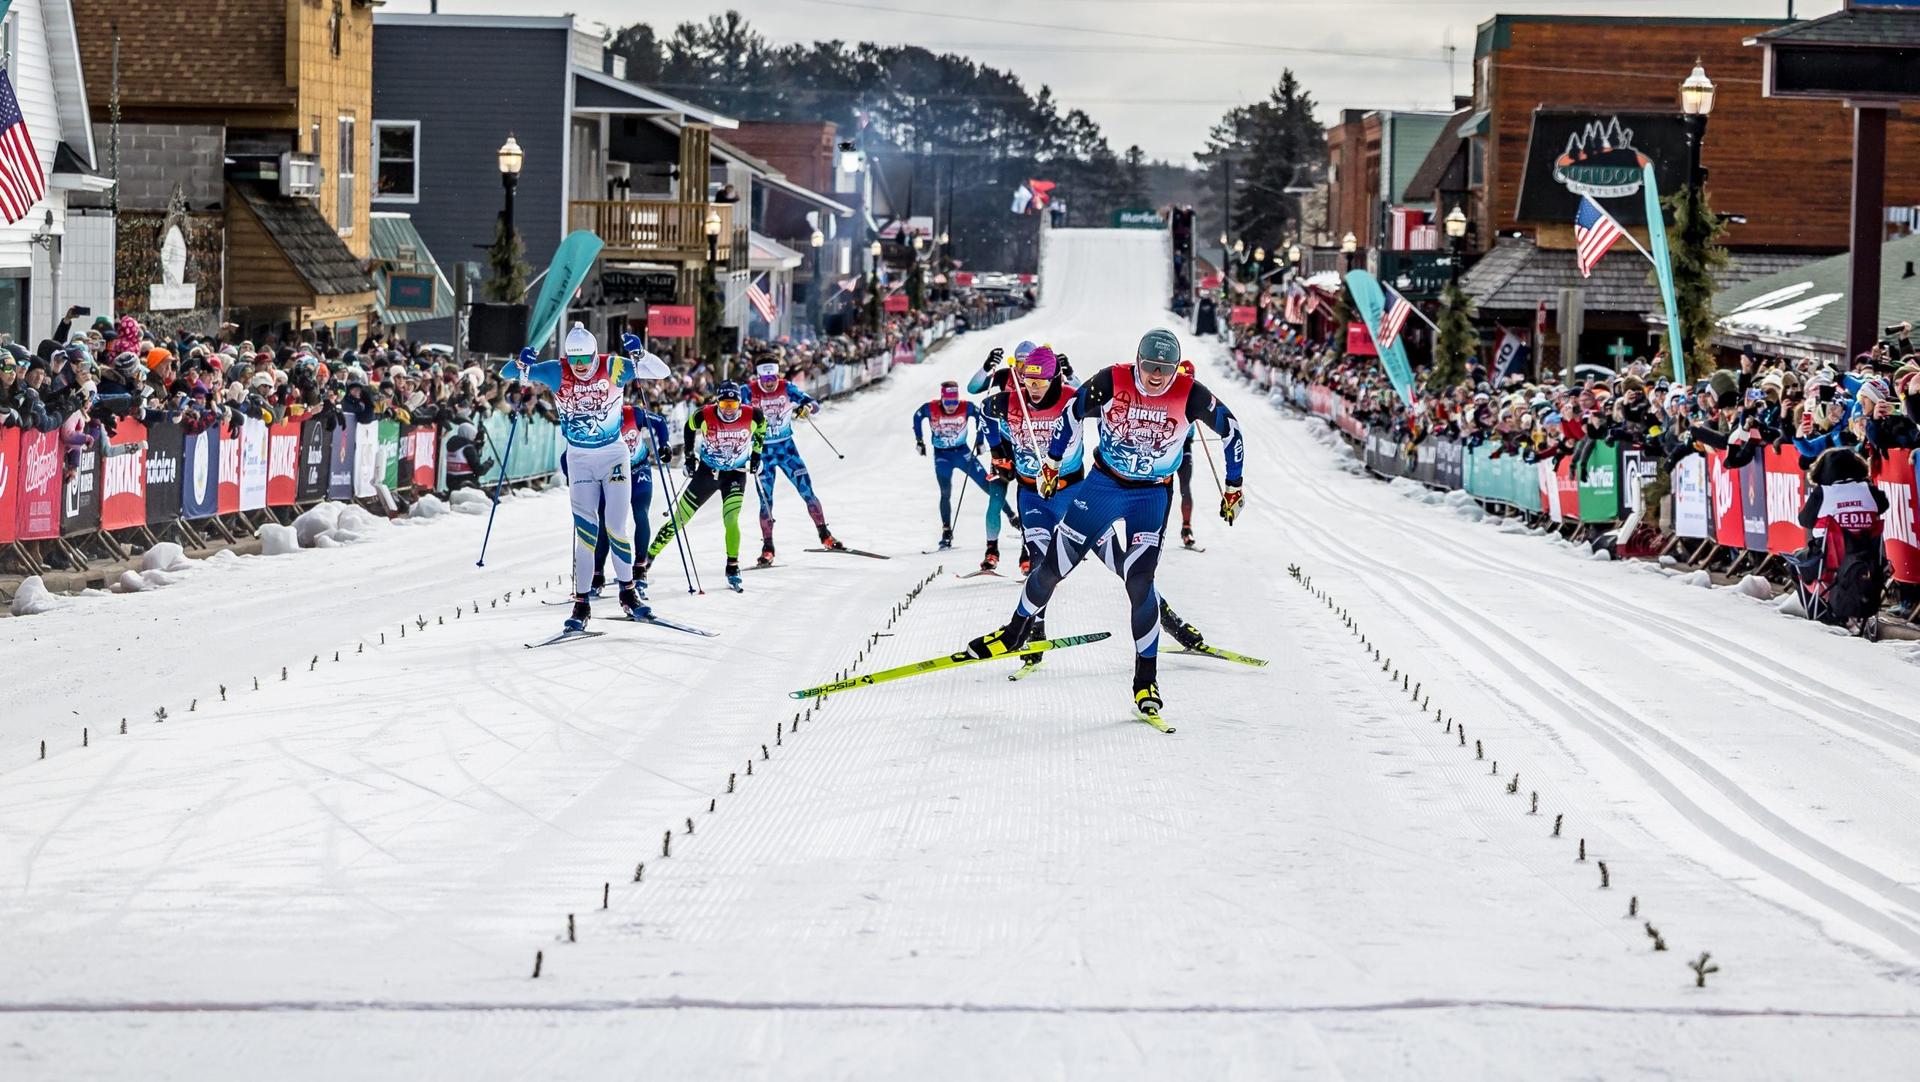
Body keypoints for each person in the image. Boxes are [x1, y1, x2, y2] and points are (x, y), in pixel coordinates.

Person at [966, 328, 1245, 719]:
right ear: (1138, 361)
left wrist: (1233, 486)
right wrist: (1051, 461)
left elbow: (1232, 432)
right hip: (1101, 486)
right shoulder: (1113, 379)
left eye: (1164, 369)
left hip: (1150, 496)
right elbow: (1071, 412)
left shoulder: (1189, 391)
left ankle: (1145, 680)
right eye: (1149, 366)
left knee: (1139, 580)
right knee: (1052, 566)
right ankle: (1015, 633)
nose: (1155, 376)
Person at [982, 344, 1210, 669]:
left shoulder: (1065, 395)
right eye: (1026, 377)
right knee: (1041, 562)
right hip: (1034, 495)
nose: (1033, 387)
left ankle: (1171, 622)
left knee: (1124, 565)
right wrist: (997, 451)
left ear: (1052, 377)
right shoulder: (1011, 401)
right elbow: (984, 409)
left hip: (1077, 495)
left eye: (1041, 379)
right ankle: (1033, 637)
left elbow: (1095, 399)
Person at [506, 322, 671, 632]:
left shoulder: (614, 366)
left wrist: (640, 353)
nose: (581, 366)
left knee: (616, 526)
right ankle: (581, 604)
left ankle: (628, 593)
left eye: (586, 359)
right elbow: (506, 374)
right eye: (575, 359)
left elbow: (661, 372)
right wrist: (521, 363)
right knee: (587, 533)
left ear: (596, 354)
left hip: (613, 456)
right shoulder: (557, 370)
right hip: (580, 459)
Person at [647, 381, 766, 591]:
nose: (728, 409)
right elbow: (688, 428)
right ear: (717, 403)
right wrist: (690, 457)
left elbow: (761, 433)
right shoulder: (704, 414)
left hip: (735, 475)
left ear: (740, 403)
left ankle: (732, 567)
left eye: (733, 404)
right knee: (679, 520)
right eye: (724, 405)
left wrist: (756, 456)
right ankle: (647, 558)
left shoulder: (754, 415)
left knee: (731, 520)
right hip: (707, 473)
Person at [744, 358, 842, 566]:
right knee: (765, 501)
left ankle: (825, 535)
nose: (769, 382)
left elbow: (814, 404)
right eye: (765, 378)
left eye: (773, 377)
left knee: (807, 492)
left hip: (787, 449)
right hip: (762, 452)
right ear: (759, 376)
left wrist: (805, 409)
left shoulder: (786, 387)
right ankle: (768, 548)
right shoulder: (748, 390)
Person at [912, 379, 1005, 558]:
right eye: (947, 403)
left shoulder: (967, 406)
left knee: (988, 485)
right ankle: (946, 531)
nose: (951, 407)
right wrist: (919, 440)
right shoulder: (930, 408)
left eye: (954, 402)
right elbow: (917, 417)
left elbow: (981, 417)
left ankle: (1012, 517)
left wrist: (980, 441)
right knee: (945, 492)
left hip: (963, 453)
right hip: (942, 456)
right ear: (942, 399)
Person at [589, 394, 672, 595]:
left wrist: (664, 444)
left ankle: (640, 567)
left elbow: (660, 422)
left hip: (637, 470)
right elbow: (570, 452)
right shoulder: (593, 421)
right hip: (611, 474)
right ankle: (597, 573)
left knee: (640, 514)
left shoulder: (633, 412)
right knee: (606, 523)